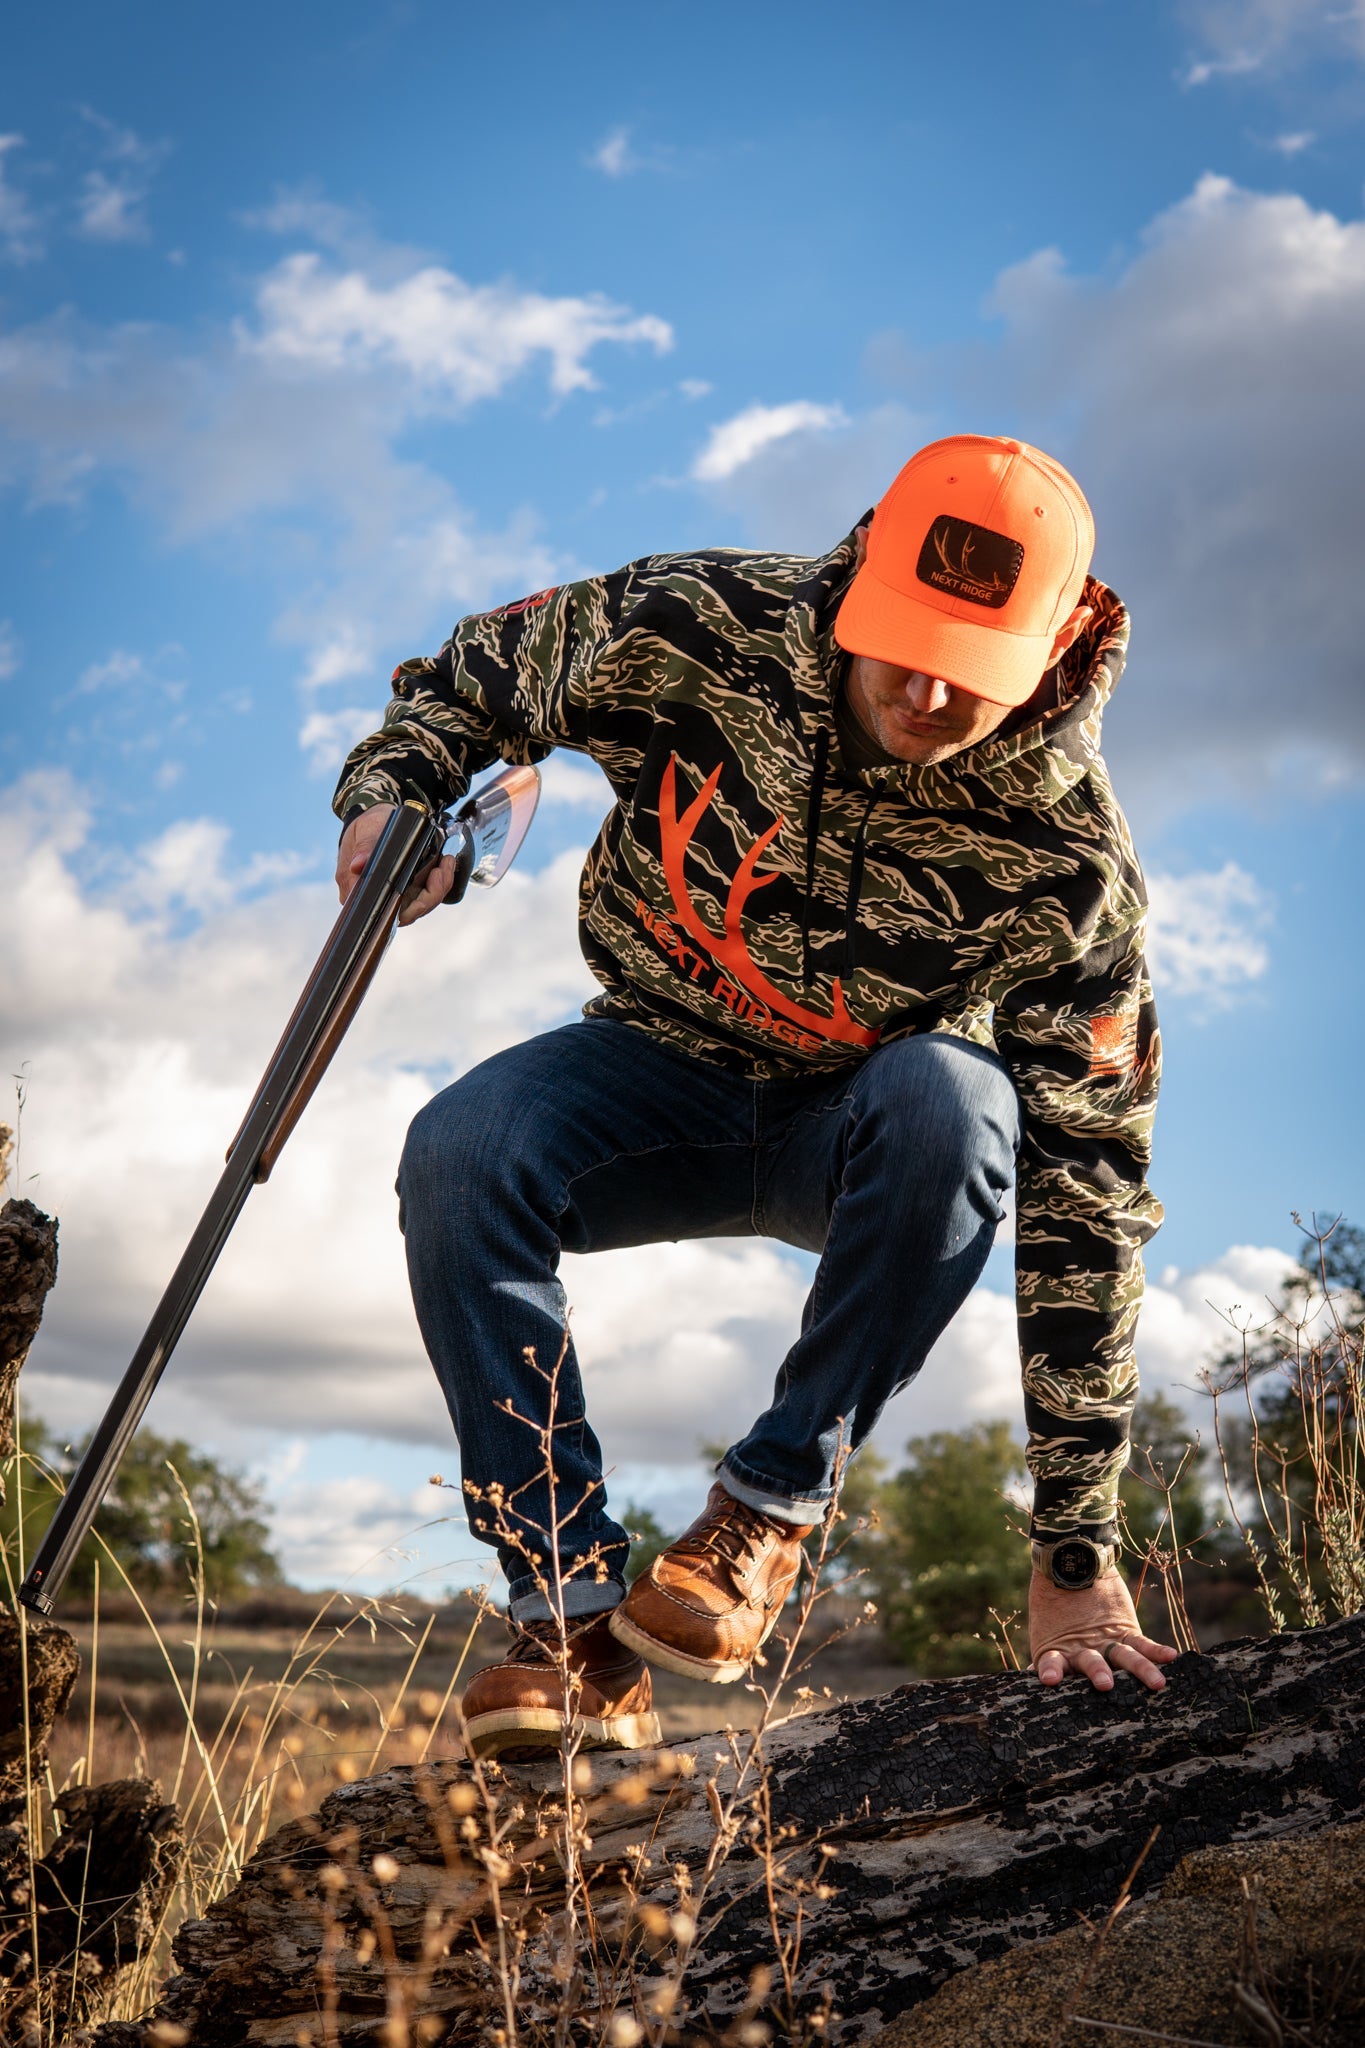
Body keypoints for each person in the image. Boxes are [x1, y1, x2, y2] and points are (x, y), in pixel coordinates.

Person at [333, 433, 1177, 1759]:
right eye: (900, 636)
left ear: (1053, 647)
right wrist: (392, 796)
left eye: (971, 673)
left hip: (860, 1136)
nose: (922, 690)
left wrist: (1073, 1551)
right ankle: (565, 1615)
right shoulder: (696, 623)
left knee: (962, 1101)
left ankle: (765, 1515)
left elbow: (1089, 1204)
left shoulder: (1070, 868)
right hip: (649, 1072)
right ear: (861, 575)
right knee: (462, 1146)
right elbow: (468, 680)